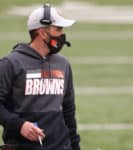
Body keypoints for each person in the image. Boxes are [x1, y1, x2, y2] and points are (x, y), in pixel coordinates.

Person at [0, 3, 80, 150]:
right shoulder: (10, 64)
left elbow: (68, 110)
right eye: (58, 29)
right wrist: (19, 125)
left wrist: (75, 146)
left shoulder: (63, 64)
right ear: (42, 33)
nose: (62, 35)